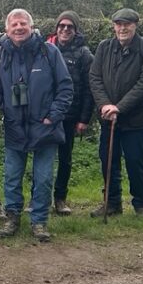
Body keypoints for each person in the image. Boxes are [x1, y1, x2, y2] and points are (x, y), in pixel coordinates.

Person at [0, 9, 73, 241]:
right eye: (14, 25)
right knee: (12, 176)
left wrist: (53, 115)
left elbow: (66, 88)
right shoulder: (1, 55)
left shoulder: (49, 52)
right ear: (7, 29)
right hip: (14, 126)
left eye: (23, 24)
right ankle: (12, 218)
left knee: (43, 178)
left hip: (45, 127)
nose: (18, 28)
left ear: (31, 27)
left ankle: (39, 221)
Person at [88, 7, 143, 217]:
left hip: (138, 119)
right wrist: (105, 105)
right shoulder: (104, 47)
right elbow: (95, 78)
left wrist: (120, 107)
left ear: (135, 25)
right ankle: (111, 203)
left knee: (136, 162)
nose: (122, 28)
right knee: (108, 162)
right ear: (113, 26)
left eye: (126, 24)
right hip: (108, 118)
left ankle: (141, 205)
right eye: (118, 24)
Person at [46, 11, 94, 216]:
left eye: (70, 27)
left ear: (75, 30)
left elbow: (88, 89)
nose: (65, 30)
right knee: (43, 158)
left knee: (65, 159)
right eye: (62, 26)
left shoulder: (84, 54)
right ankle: (39, 197)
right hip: (47, 115)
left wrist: (84, 119)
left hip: (70, 116)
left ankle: (60, 198)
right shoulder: (45, 48)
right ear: (56, 28)